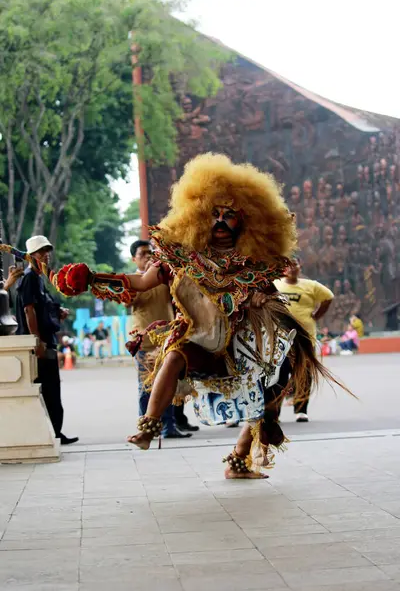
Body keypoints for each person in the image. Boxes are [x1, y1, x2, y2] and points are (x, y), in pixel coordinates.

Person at [15, 155, 350, 479]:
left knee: (263, 400)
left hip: (240, 349)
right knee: (174, 356)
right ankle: (149, 426)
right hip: (198, 341)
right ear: (199, 214)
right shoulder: (178, 257)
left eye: (230, 214)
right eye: (214, 213)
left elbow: (271, 304)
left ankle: (238, 460)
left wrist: (262, 300)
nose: (220, 221)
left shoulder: (254, 265)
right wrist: (91, 279)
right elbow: (140, 282)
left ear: (246, 220)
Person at [15, 236, 78, 445]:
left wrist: (57, 311)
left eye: (47, 251)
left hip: (47, 341)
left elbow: (41, 308)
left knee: (52, 389)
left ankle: (55, 432)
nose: (46, 256)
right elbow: (28, 310)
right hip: (40, 345)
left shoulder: (38, 278)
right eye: (42, 252)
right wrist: (37, 341)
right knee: (48, 389)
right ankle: (51, 433)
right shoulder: (29, 278)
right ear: (31, 256)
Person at [129, 239, 193, 439]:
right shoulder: (135, 281)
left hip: (167, 339)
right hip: (144, 341)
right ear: (134, 259)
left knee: (167, 383)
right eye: (142, 254)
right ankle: (145, 428)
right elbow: (127, 302)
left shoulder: (163, 278)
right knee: (146, 386)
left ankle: (168, 427)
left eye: (150, 252)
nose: (148, 256)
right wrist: (144, 278)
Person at [275, 258, 334, 422]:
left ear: (300, 268)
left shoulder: (311, 285)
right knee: (278, 376)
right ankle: (275, 413)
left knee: (303, 374)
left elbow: (329, 297)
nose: (292, 268)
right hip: (280, 339)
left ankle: (301, 410)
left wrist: (318, 314)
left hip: (305, 338)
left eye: (295, 265)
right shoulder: (275, 285)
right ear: (283, 268)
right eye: (289, 265)